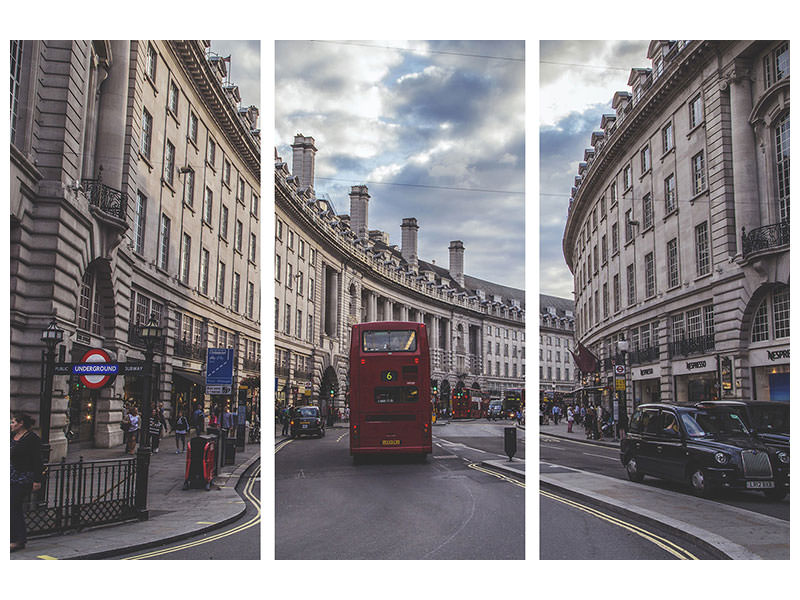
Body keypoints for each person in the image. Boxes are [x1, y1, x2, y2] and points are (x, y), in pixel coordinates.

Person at [10, 413, 44, 552]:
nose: (11, 425)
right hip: (10, 476)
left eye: (13, 422)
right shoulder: (11, 436)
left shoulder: (32, 439)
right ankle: (15, 537)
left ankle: (18, 539)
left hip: (23, 477)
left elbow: (37, 460)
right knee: (13, 507)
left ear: (21, 423)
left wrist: (37, 480)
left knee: (12, 505)